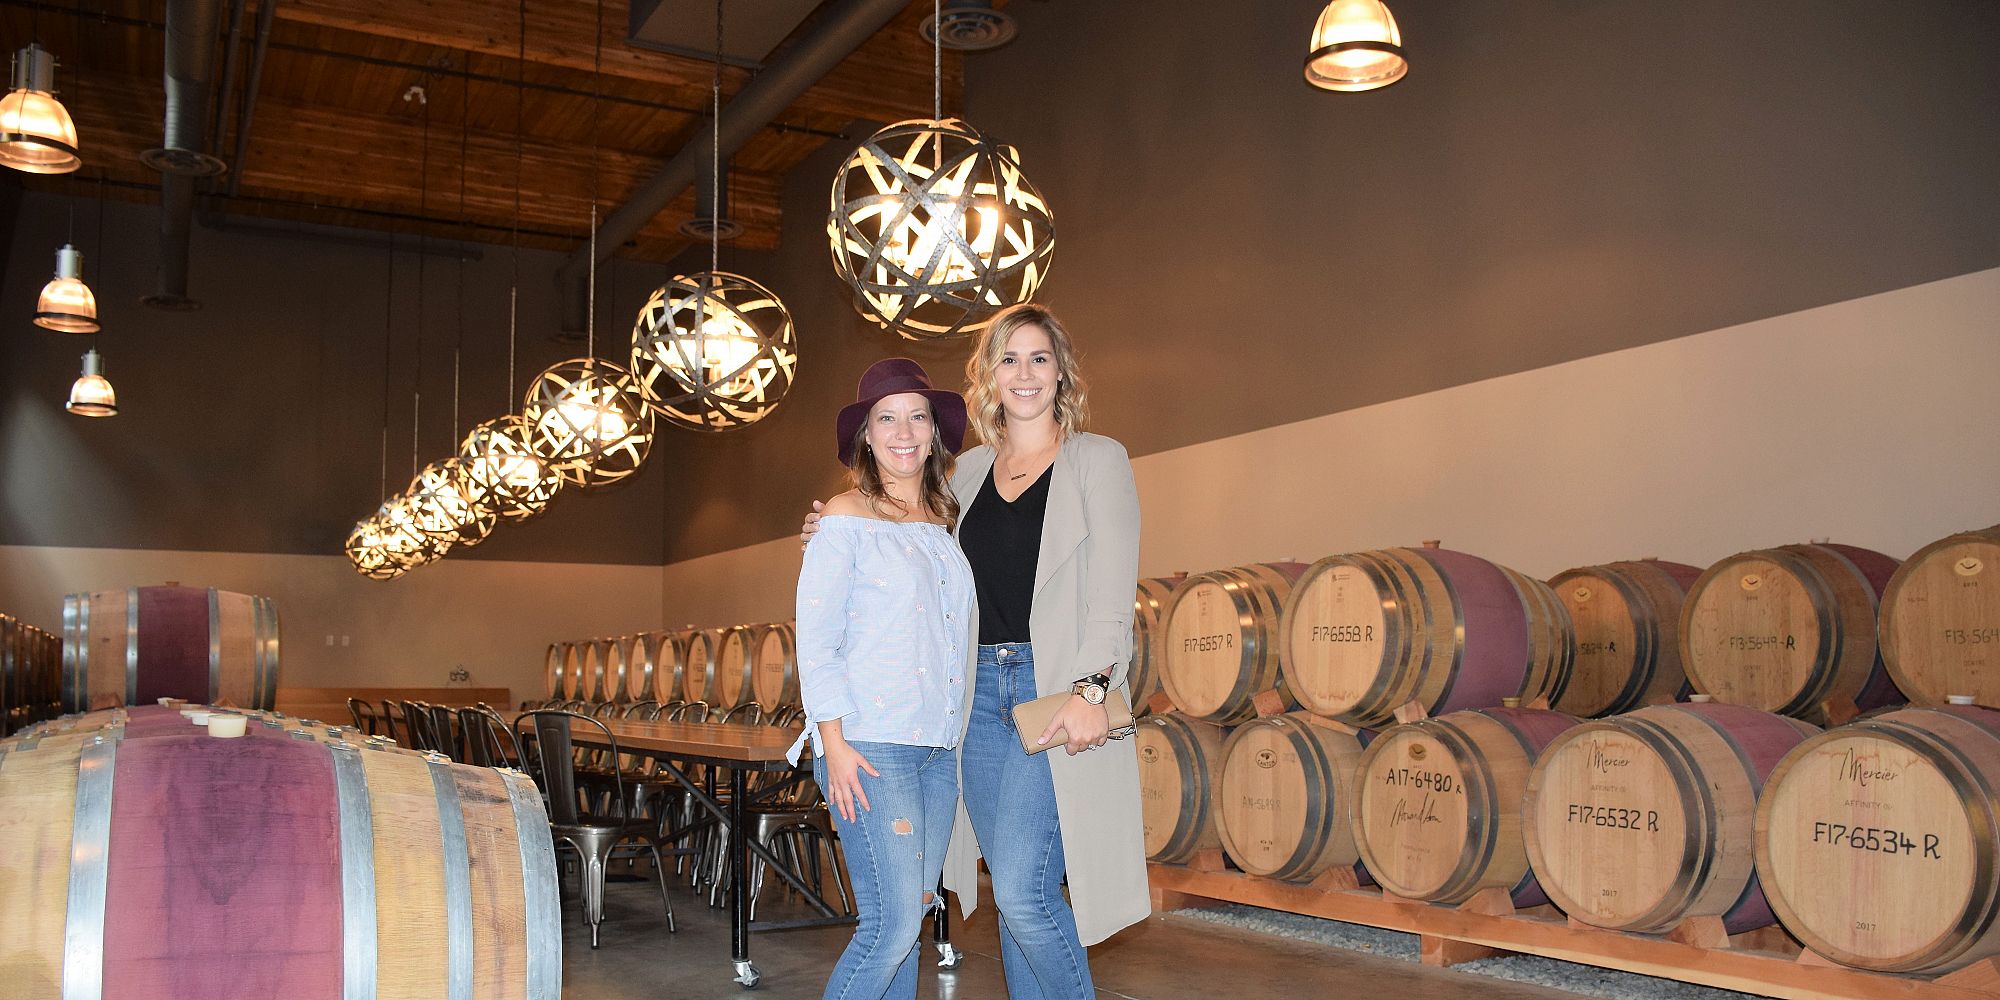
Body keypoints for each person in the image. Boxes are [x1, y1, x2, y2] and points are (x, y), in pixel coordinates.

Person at [804, 304, 1149, 999]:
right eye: (1008, 359)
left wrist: (1091, 692)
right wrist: (833, 524)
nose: (1024, 374)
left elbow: (1114, 593)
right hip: (968, 706)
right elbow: (901, 530)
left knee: (1022, 893)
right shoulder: (964, 478)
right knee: (995, 899)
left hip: (1049, 693)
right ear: (988, 376)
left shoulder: (1096, 460)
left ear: (1062, 373)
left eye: (1039, 358)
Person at [790, 358, 976, 1000]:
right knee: (891, 927)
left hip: (934, 747)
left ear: (934, 431)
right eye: (886, 418)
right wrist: (833, 743)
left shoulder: (943, 522)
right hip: (869, 744)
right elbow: (816, 640)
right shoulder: (844, 516)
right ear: (866, 436)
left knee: (913, 913)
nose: (904, 431)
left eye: (917, 417)